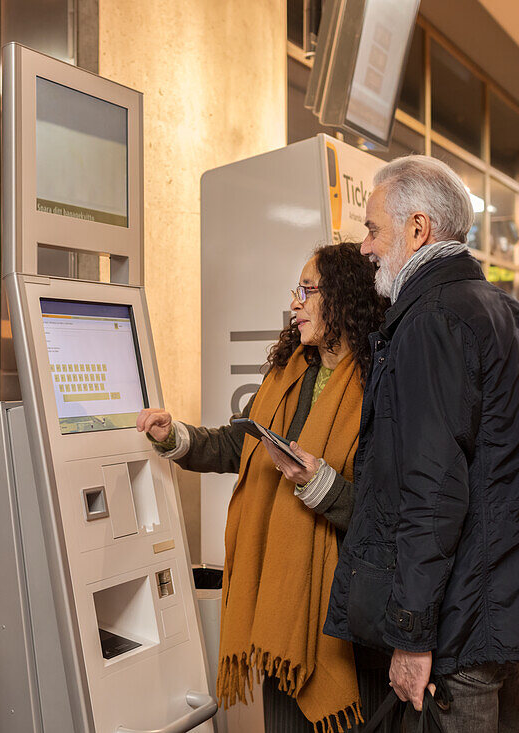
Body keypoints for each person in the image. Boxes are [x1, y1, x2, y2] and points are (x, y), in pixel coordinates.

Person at [324, 155, 519, 732]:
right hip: (507, 608)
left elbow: (432, 493)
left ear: (418, 228)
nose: (364, 247)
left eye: (372, 229)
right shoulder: (508, 312)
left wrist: (411, 636)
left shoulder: (431, 319)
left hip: (459, 626)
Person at [137, 243, 388, 732]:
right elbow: (241, 443)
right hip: (280, 605)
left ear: (343, 298)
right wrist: (176, 437)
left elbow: (386, 513)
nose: (295, 303)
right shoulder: (292, 371)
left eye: (308, 290)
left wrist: (319, 485)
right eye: (297, 291)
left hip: (342, 616)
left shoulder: (379, 383)